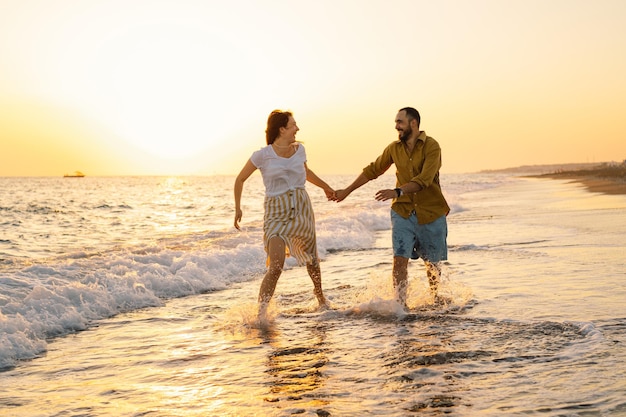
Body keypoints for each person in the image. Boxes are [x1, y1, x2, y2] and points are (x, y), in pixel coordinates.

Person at [335, 107, 450, 308]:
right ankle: (400, 306)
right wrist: (347, 190)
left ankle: (436, 298)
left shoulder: (432, 146)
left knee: (432, 263)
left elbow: (424, 180)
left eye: (400, 122)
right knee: (399, 259)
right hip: (403, 212)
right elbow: (373, 170)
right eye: (396, 122)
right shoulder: (394, 148)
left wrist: (397, 191)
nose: (396, 126)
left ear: (413, 123)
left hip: (431, 211)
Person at [234, 110, 335, 315]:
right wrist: (237, 207)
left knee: (312, 260)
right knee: (276, 264)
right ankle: (261, 314)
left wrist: (326, 187)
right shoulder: (262, 155)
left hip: (301, 208)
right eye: (293, 125)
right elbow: (240, 179)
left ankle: (321, 300)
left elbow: (307, 173)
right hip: (276, 212)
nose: (297, 128)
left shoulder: (300, 150)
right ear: (282, 129)